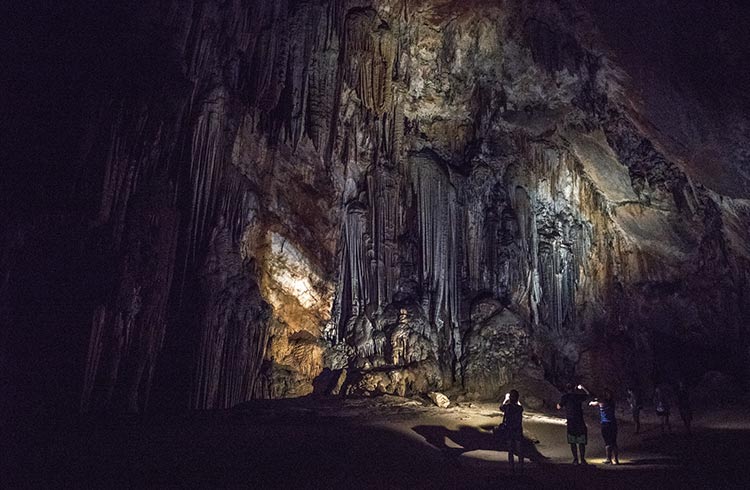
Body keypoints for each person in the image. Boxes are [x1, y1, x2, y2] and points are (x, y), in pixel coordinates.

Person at [557, 383, 590, 464]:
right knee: (581, 441)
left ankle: (575, 459)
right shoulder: (578, 396)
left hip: (571, 422)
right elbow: (588, 395)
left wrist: (560, 404)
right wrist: (583, 388)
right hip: (579, 421)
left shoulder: (565, 397)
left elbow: (558, 407)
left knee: (573, 441)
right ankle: (582, 459)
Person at [590, 389, 619, 464]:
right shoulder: (612, 402)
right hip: (613, 423)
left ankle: (608, 459)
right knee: (614, 442)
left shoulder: (601, 402)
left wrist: (591, 402)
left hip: (605, 424)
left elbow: (593, 401)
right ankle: (616, 459)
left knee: (607, 442)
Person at [500, 389, 524, 473]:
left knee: (510, 450)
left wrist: (506, 399)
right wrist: (517, 400)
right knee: (519, 449)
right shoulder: (520, 408)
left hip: (509, 429)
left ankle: (511, 468)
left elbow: (501, 407)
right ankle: (521, 467)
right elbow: (520, 406)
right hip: (517, 430)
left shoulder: (507, 407)